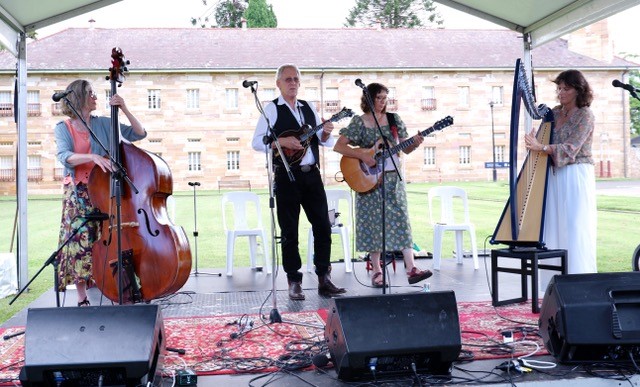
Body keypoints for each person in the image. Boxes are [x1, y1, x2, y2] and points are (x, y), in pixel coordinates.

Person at [251, 64, 346, 300]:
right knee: (289, 231)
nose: (292, 83)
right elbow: (256, 142)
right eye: (287, 79)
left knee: (323, 226)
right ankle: (294, 281)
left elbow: (324, 141)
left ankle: (324, 277)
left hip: (311, 175)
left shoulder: (308, 108)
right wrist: (280, 143)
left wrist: (325, 131)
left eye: (295, 79)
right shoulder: (272, 109)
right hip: (286, 177)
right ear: (278, 84)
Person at [54, 79, 147, 306]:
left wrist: (124, 108)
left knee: (108, 238)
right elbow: (64, 156)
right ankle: (82, 296)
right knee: (79, 241)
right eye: (90, 93)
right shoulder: (63, 128)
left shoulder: (104, 124)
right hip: (78, 191)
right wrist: (92, 157)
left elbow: (139, 133)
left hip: (105, 190)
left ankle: (118, 288)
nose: (95, 97)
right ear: (79, 97)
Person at [333, 82, 432, 287]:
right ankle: (377, 271)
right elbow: (339, 146)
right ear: (368, 99)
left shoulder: (394, 120)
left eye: (385, 98)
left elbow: (405, 149)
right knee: (373, 224)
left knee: (402, 221)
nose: (382, 102)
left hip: (392, 179)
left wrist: (415, 142)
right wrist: (362, 154)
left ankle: (411, 268)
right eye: (379, 98)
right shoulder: (359, 122)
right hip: (368, 179)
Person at [524, 69, 597, 283]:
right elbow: (541, 142)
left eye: (566, 89)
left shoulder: (585, 115)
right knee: (555, 224)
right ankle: (554, 281)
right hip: (555, 174)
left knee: (575, 225)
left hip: (576, 173)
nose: (561, 93)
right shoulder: (553, 114)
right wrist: (534, 142)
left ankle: (579, 279)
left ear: (578, 90)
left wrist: (542, 146)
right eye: (559, 88)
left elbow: (571, 148)